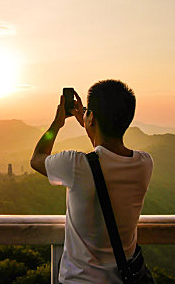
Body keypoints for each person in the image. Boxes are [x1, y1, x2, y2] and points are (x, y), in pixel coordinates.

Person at [30, 80, 153, 283]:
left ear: (92, 117)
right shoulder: (144, 164)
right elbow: (104, 159)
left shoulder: (75, 165)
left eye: (88, 111)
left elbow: (37, 158)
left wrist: (57, 124)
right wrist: (91, 125)